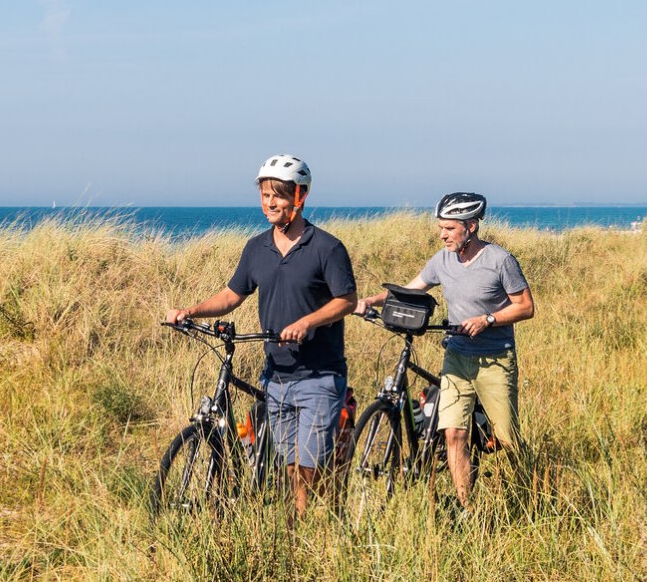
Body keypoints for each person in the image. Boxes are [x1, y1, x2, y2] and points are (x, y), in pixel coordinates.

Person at [165, 154, 358, 514]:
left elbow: (347, 300)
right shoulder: (257, 247)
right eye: (265, 195)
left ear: (299, 197)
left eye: (279, 196)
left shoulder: (327, 248)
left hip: (319, 373)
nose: (270, 203)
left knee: (307, 468)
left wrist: (308, 322)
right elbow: (231, 295)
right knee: (289, 466)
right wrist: (190, 311)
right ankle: (300, 527)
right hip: (276, 374)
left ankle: (304, 529)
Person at [355, 191, 535, 510]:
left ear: (472, 226)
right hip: (456, 357)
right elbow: (411, 288)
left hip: (495, 360)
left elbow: (525, 307)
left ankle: (531, 495)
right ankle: (467, 508)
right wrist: (371, 300)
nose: (442, 234)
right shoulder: (442, 260)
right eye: (440, 227)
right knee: (453, 434)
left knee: (507, 438)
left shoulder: (500, 260)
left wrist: (488, 319)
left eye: (449, 228)